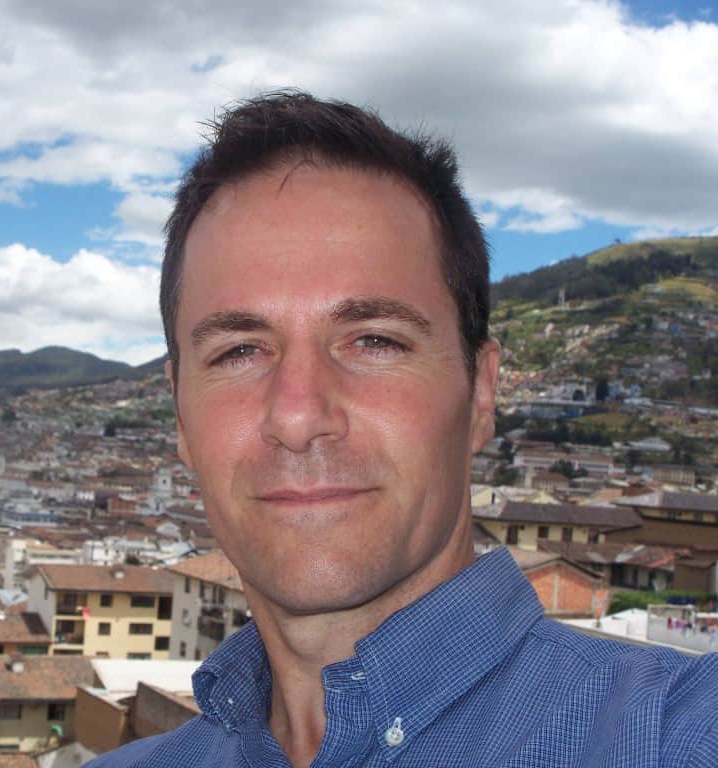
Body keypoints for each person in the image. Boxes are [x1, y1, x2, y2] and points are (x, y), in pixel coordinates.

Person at [87, 92, 718, 767]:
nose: (298, 416)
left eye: (374, 341)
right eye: (239, 351)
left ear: (480, 392)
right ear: (180, 413)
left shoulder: (670, 735)